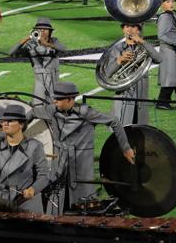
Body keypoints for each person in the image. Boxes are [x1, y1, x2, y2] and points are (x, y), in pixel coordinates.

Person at [29, 82, 135, 214]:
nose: (55, 100)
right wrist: (20, 131)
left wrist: (126, 148)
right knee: (57, 196)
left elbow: (114, 121)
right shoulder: (51, 109)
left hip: (81, 162)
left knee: (83, 201)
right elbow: (32, 112)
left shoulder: (87, 113)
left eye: (59, 99)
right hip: (59, 161)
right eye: (55, 98)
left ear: (70, 100)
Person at [103, 22, 161, 125]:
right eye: (127, 26)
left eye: (133, 26)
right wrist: (119, 61)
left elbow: (158, 59)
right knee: (122, 130)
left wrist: (142, 42)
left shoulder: (144, 47)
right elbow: (107, 73)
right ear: (123, 29)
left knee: (139, 131)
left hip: (141, 95)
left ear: (138, 30)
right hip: (123, 95)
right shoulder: (116, 49)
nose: (129, 29)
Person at [9, 18, 66, 103]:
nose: (42, 31)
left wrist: (46, 44)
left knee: (54, 105)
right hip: (39, 82)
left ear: (50, 32)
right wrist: (27, 38)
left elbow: (63, 49)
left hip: (54, 80)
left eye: (45, 29)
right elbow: (11, 52)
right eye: (39, 30)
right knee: (38, 105)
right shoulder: (31, 45)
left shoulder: (54, 41)